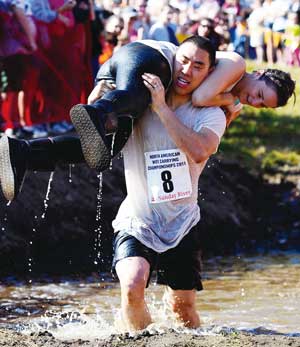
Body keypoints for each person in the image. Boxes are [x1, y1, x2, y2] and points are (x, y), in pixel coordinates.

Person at [0, 38, 295, 201]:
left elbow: (206, 138)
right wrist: (230, 102)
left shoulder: (228, 92)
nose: (252, 102)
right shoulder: (236, 64)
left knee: (104, 152)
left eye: (261, 105)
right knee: (133, 98)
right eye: (259, 93)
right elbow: (200, 98)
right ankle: (99, 113)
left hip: (125, 76)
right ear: (258, 75)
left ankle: (23, 153)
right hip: (145, 58)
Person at [113, 35, 225, 331]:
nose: (187, 70)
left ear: (209, 73)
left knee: (183, 308)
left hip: (182, 222)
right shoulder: (139, 101)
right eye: (183, 61)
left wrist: (162, 108)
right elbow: (99, 113)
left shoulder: (211, 114)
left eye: (198, 66)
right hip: (138, 219)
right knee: (133, 286)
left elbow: (200, 149)